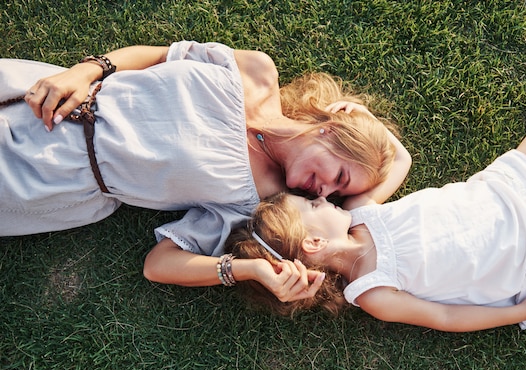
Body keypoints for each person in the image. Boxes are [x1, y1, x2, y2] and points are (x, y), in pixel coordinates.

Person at [0, 41, 412, 301]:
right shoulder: (255, 72)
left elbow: (159, 264)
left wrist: (245, 269)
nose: (323, 190)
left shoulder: (257, 201)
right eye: (338, 176)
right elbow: (157, 56)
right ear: (333, 131)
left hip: (43, 176)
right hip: (41, 94)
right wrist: (86, 70)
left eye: (335, 194)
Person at [227, 99, 526, 332]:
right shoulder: (372, 293)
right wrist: (518, 313)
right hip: (524, 246)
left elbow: (400, 160)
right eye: (314, 205)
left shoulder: (361, 213)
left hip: (502, 193)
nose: (325, 197)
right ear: (315, 241)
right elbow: (444, 315)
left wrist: (362, 116)